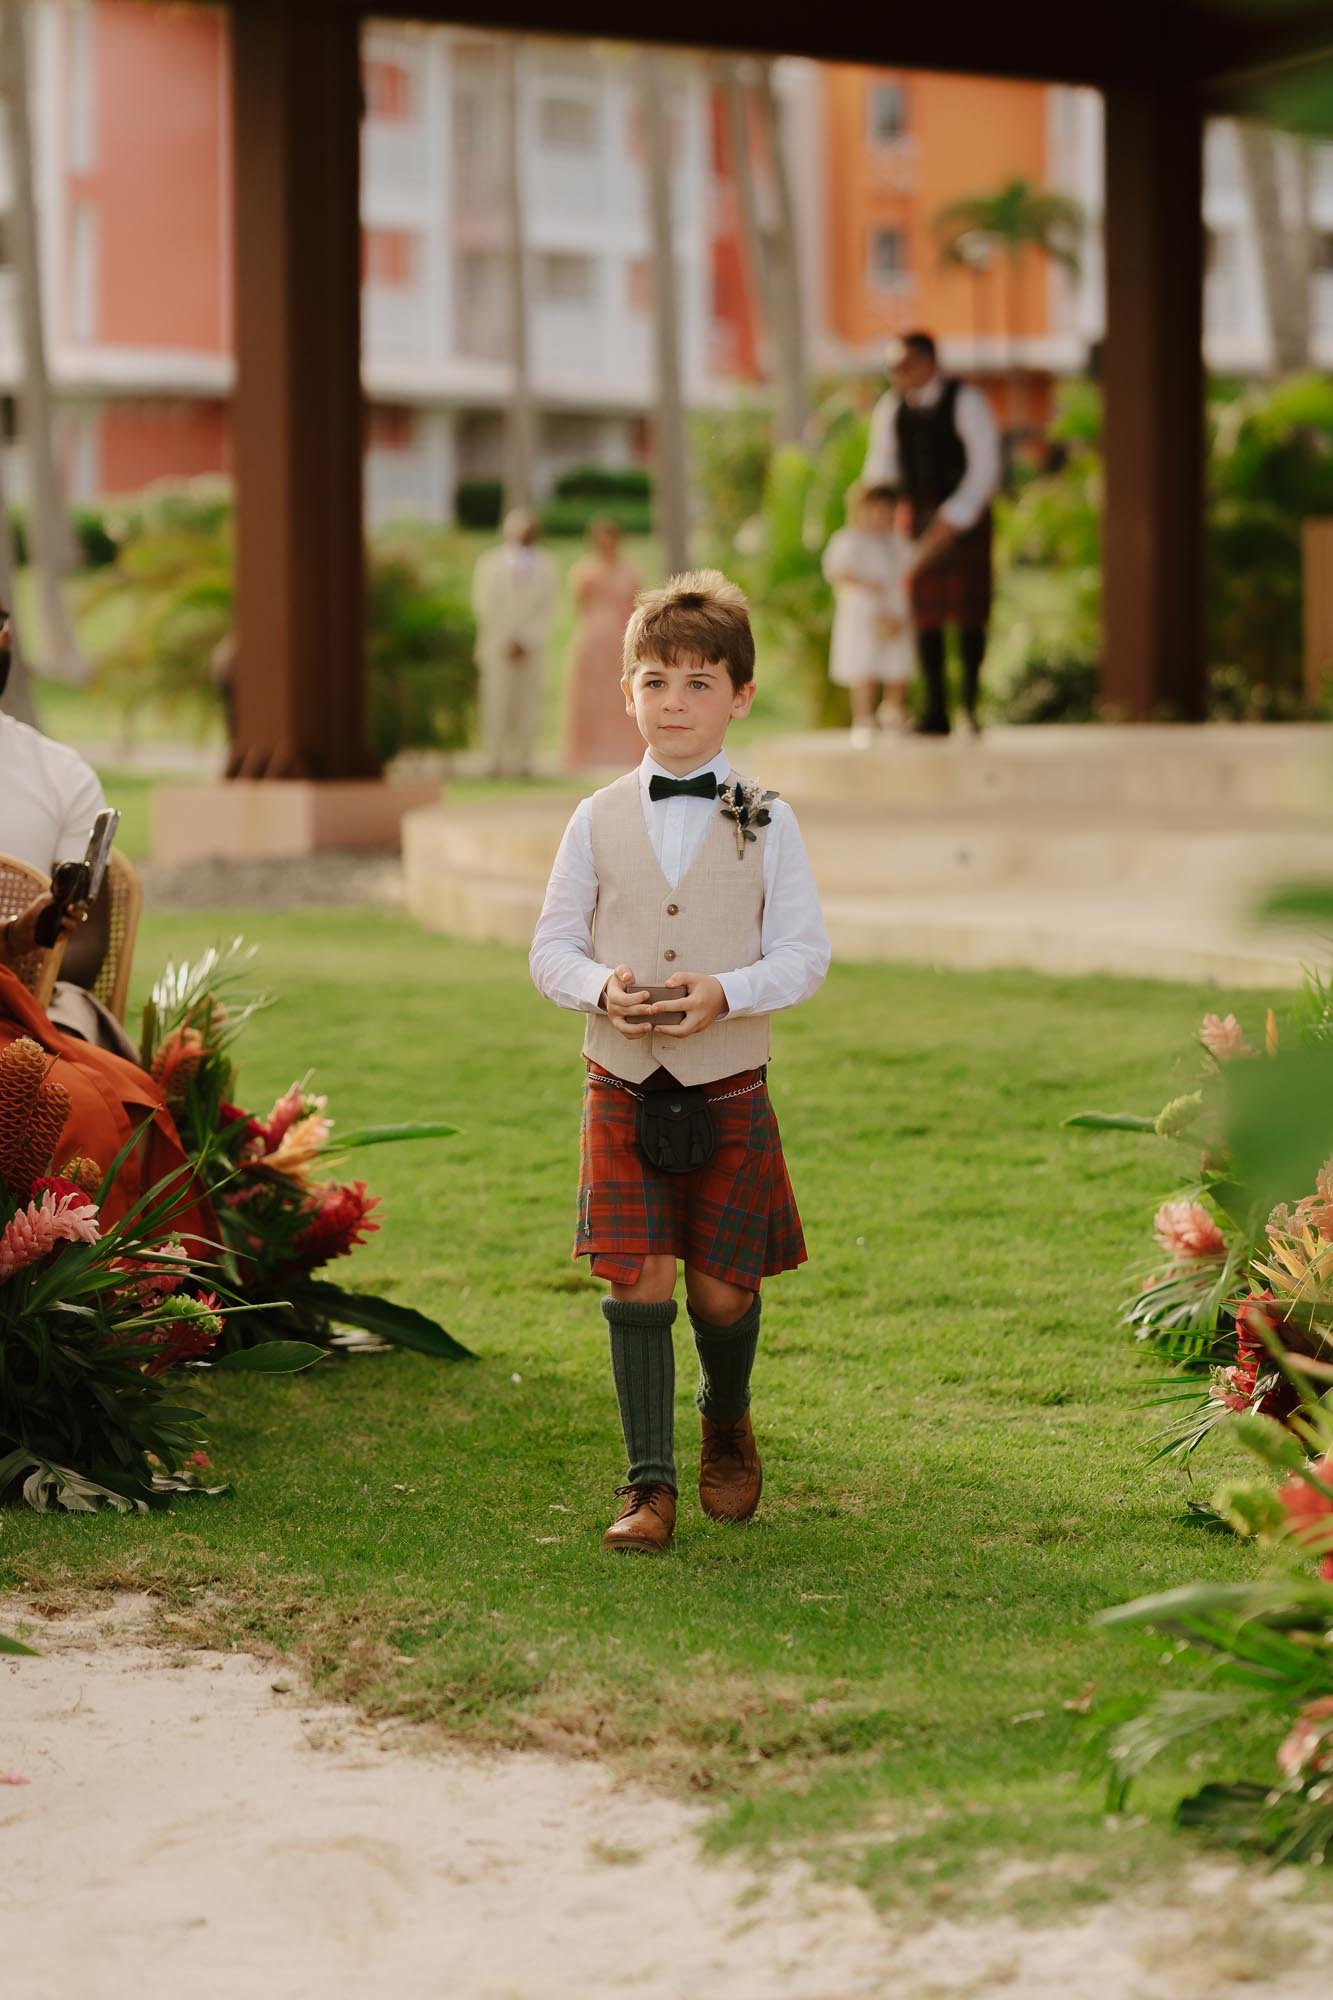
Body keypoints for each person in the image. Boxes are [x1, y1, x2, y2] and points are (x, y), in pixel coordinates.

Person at [529, 569, 829, 1555]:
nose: (674, 703)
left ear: (739, 695)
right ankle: (649, 1483)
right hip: (619, 1078)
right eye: (654, 681)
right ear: (627, 693)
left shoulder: (756, 813)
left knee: (719, 1290)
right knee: (637, 1278)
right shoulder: (597, 816)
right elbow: (549, 948)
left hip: (727, 1081)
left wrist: (726, 991)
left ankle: (726, 1412)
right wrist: (598, 987)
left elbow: (804, 953)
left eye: (698, 683)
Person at [0, 608, 131, 1056]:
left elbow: (87, 946)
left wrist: (19, 958)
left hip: (29, 1020)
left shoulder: (61, 774)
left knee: (94, 1099)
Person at [863, 330, 1001, 735]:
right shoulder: (891, 408)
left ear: (927, 363)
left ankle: (970, 709)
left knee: (969, 614)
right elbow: (881, 468)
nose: (897, 374)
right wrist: (876, 520)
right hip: (914, 515)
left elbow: (985, 467)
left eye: (903, 365)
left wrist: (953, 519)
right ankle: (935, 710)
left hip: (966, 517)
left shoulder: (966, 401)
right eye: (892, 368)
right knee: (924, 616)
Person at [821, 482, 914, 747]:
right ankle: (864, 720)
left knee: (898, 665)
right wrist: (866, 584)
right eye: (875, 511)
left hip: (893, 611)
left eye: (888, 512)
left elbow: (910, 567)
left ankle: (893, 712)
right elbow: (837, 572)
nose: (881, 518)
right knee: (863, 668)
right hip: (862, 614)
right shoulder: (848, 540)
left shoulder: (897, 543)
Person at [471, 506, 558, 779]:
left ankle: (523, 761)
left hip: (530, 649)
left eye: (529, 529)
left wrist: (526, 639)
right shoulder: (489, 564)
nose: (524, 534)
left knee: (528, 704)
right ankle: (494, 759)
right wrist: (507, 640)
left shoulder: (547, 566)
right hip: (497, 647)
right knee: (495, 703)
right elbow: (483, 605)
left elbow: (549, 608)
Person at [561, 517, 644, 770]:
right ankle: (586, 753)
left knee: (622, 692)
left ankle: (624, 751)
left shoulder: (631, 571)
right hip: (593, 639)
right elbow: (579, 605)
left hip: (623, 638)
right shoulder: (584, 571)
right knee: (591, 696)